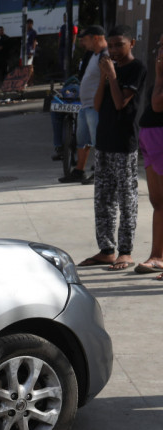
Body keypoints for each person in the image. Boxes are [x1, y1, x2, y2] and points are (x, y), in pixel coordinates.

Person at [78, 25, 146, 270]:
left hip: (123, 142)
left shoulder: (137, 68)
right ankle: (107, 250)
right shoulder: (110, 69)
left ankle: (125, 251)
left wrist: (113, 75)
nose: (115, 50)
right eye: (112, 45)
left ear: (132, 44)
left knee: (126, 198)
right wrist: (104, 77)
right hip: (104, 140)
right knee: (103, 198)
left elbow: (119, 103)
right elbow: (97, 105)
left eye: (120, 45)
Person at [60, 26, 107, 184]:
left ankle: (101, 172)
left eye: (85, 40)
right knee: (82, 140)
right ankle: (79, 171)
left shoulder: (105, 55)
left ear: (95, 38)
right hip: (85, 105)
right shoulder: (93, 55)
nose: (83, 43)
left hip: (95, 105)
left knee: (98, 141)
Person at [139, 32, 163, 276]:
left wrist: (159, 74)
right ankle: (157, 256)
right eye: (160, 44)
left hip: (160, 136)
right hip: (150, 136)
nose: (160, 51)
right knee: (158, 203)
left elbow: (157, 104)